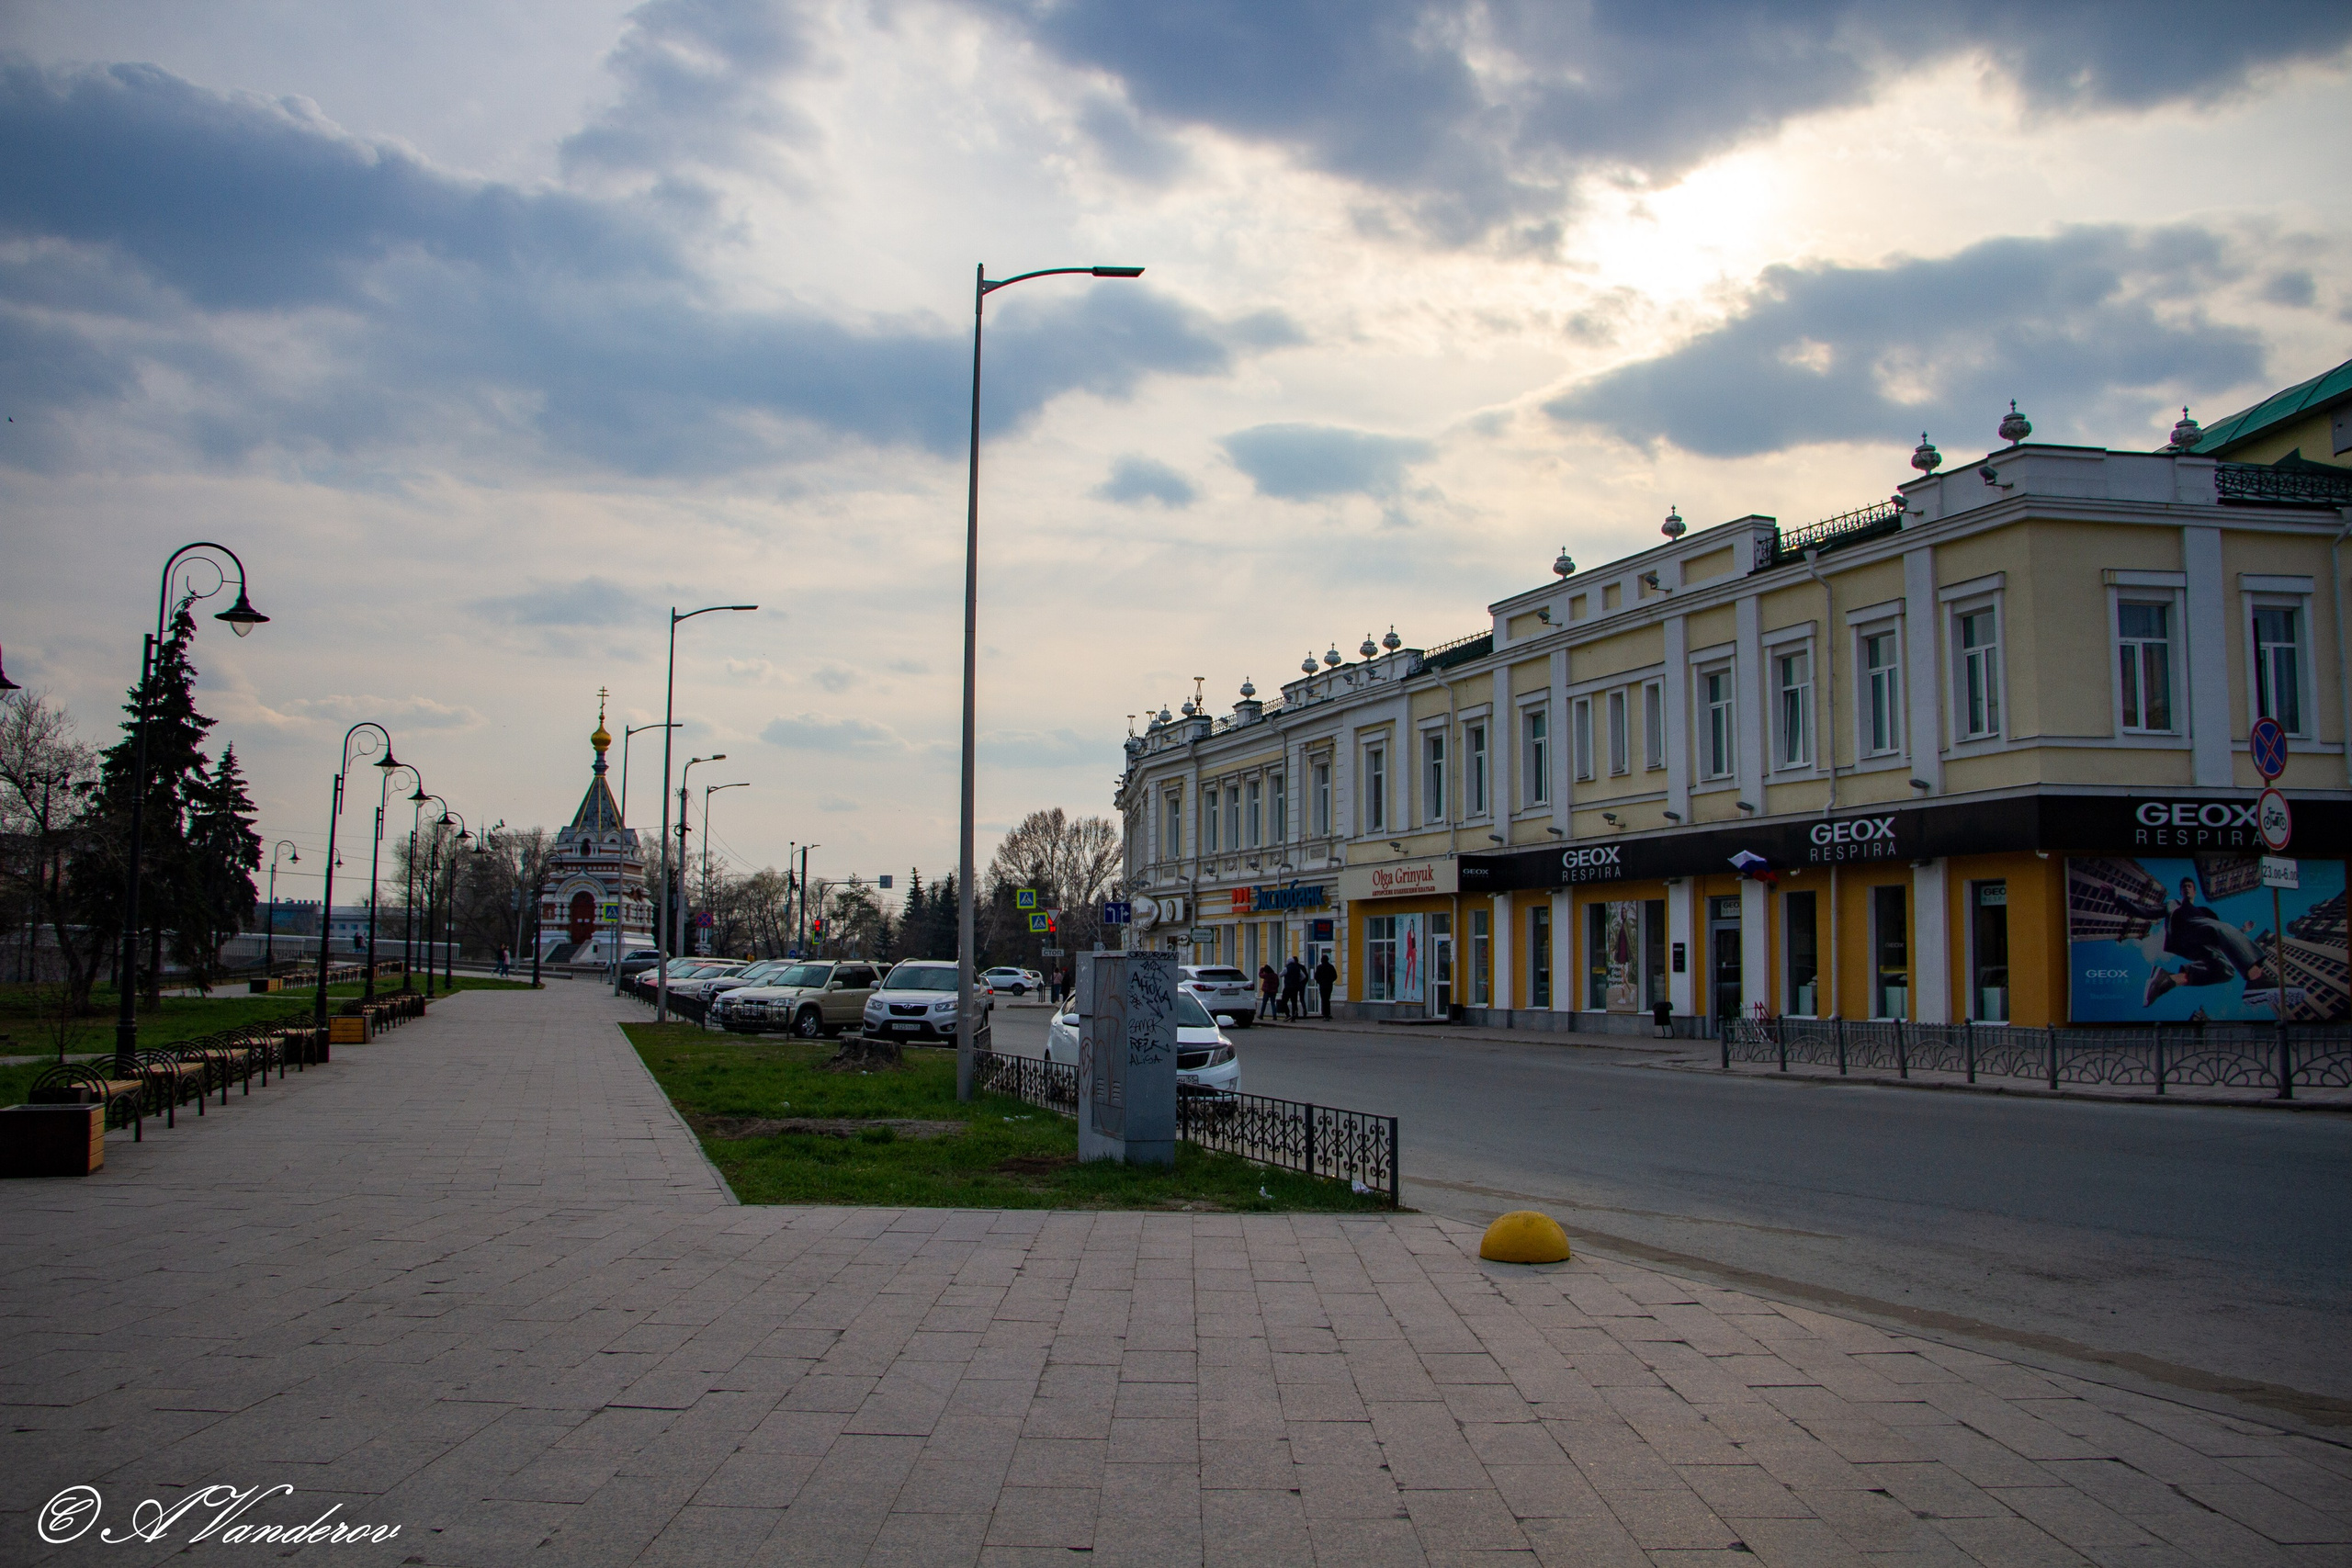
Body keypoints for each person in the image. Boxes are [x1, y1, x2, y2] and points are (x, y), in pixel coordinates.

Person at [1283, 955, 1308, 1021]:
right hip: (1296, 986)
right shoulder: (1299, 968)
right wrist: (1299, 981)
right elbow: (1304, 977)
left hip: (1288, 987)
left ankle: (1288, 1014)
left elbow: (1280, 974)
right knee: (1295, 1001)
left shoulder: (1286, 968)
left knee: (1284, 1001)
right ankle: (1294, 1016)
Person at [1314, 954, 1338, 1020]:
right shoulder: (1330, 967)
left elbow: (1316, 977)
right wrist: (1330, 981)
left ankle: (1325, 1014)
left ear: (1322, 960)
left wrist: (1320, 982)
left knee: (1324, 1000)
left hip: (1322, 986)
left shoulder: (1319, 967)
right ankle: (1328, 1013)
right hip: (1329, 985)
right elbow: (1335, 976)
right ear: (1327, 960)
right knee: (1327, 999)